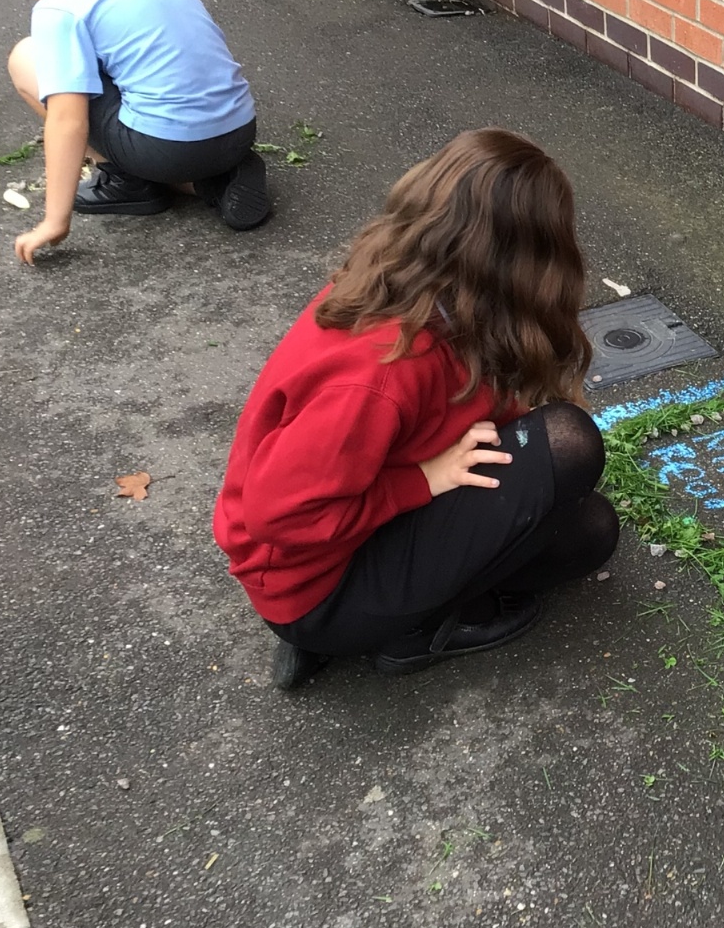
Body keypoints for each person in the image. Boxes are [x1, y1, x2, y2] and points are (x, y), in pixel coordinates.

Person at [213, 129, 617, 689]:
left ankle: (406, 606)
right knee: (569, 443)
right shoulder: (380, 372)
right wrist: (422, 482)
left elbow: (454, 407)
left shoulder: (419, 289)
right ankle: (411, 633)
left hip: (354, 540)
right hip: (315, 590)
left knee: (590, 530)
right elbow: (274, 516)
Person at [0, 0, 270, 264]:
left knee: (26, 57)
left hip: (168, 150)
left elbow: (67, 120)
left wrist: (55, 219)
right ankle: (215, 182)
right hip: (239, 128)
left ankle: (126, 182)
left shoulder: (58, 5)